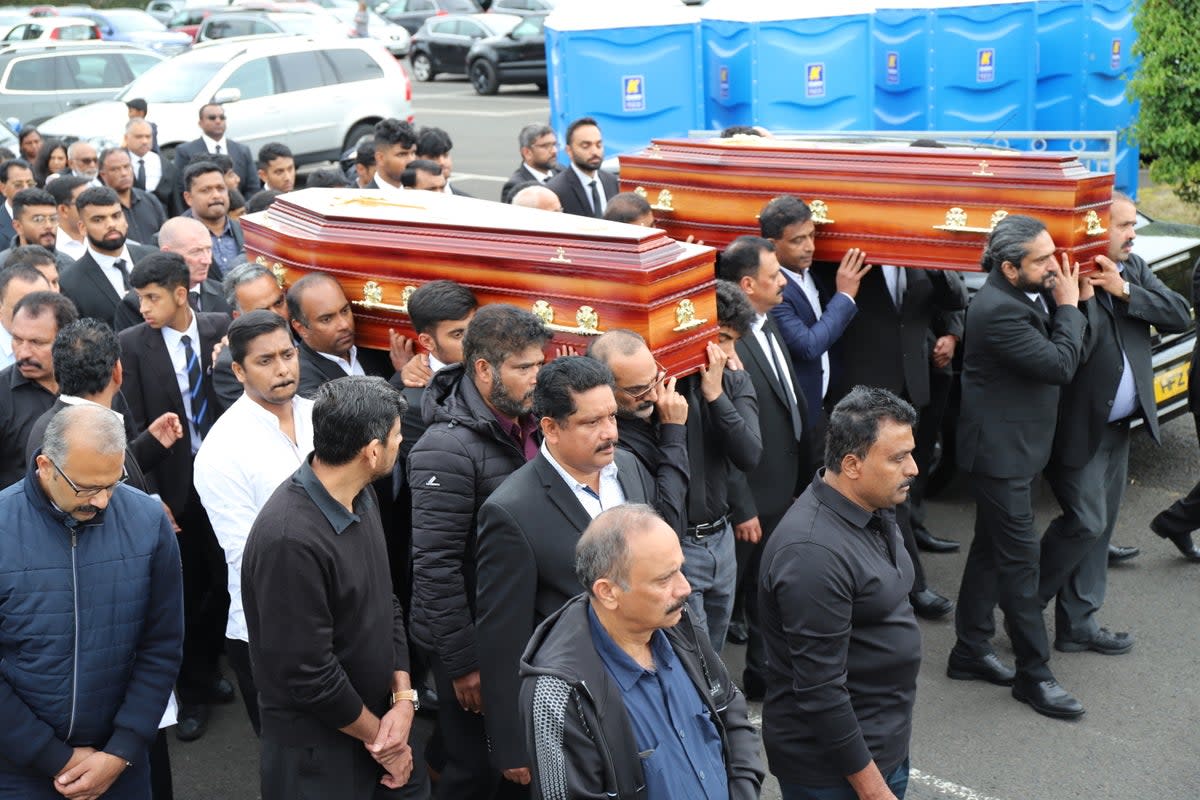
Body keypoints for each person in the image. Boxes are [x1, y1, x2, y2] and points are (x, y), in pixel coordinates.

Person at [474, 356, 660, 787]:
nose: (610, 432)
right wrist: (513, 743)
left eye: (612, 415)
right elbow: (503, 636)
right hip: (578, 702)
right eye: (591, 422)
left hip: (650, 678)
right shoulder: (511, 510)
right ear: (550, 428)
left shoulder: (629, 469)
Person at [242, 375, 426, 799]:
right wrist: (383, 742)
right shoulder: (289, 539)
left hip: (379, 728)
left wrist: (403, 697)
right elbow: (309, 675)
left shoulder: (362, 495)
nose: (401, 446)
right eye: (398, 437)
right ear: (373, 451)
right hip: (318, 756)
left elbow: (387, 601)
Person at [0, 403, 183, 800]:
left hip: (120, 767)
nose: (101, 501)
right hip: (17, 772)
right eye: (86, 487)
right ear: (45, 466)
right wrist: (53, 757)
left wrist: (122, 750)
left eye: (112, 483)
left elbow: (162, 645)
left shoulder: (149, 524)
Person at [521, 504, 766, 800]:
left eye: (680, 569)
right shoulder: (558, 692)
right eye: (664, 579)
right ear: (608, 592)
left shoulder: (679, 623)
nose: (685, 588)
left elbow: (731, 712)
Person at [949, 214, 1088, 720]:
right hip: (1000, 457)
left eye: (1052, 253)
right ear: (1009, 268)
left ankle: (969, 648)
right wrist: (1071, 308)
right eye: (1042, 260)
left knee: (991, 549)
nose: (1055, 265)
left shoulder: (1023, 295)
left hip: (1015, 451)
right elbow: (1059, 365)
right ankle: (1035, 675)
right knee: (1020, 563)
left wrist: (1063, 305)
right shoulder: (998, 310)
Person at [1037, 193, 1189, 653]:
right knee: (1084, 522)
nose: (1132, 233)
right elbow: (1071, 357)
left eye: (1131, 224)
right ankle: (1024, 601)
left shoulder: (1133, 270)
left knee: (1100, 528)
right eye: (1122, 226)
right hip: (1079, 427)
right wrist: (1084, 301)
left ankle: (1078, 624)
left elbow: (1180, 314)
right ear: (1094, 232)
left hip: (1120, 426)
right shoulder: (1062, 279)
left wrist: (1122, 289)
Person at [408, 302, 545, 800]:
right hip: (471, 641)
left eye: (539, 365)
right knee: (476, 770)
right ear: (484, 369)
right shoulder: (444, 449)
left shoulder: (530, 419)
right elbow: (436, 566)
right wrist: (465, 664)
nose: (536, 377)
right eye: (524, 368)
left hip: (518, 626)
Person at [760, 386, 921, 800]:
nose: (913, 469)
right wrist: (871, 788)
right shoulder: (812, 554)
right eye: (898, 458)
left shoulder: (876, 504)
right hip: (836, 777)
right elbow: (820, 690)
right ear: (852, 464)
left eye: (911, 453)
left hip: (882, 747)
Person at [591, 328, 762, 654]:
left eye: (655, 380)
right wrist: (672, 430)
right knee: (690, 655)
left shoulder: (708, 383)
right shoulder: (621, 430)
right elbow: (666, 517)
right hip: (678, 549)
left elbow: (749, 455)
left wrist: (716, 396)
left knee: (715, 653)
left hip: (721, 540)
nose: (653, 396)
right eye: (638, 389)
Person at [120, 252, 233, 741]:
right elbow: (133, 429)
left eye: (152, 297)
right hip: (173, 489)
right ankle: (190, 691)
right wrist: (151, 496)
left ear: (181, 294)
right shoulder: (132, 345)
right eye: (139, 297)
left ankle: (210, 670)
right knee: (183, 594)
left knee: (225, 584)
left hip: (224, 479)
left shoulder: (220, 327)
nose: (143, 307)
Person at [195, 310, 314, 736]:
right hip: (270, 630)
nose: (283, 369)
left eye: (287, 354)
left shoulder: (323, 418)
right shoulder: (222, 450)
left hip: (341, 615)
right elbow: (249, 555)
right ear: (238, 371)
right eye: (265, 361)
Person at [717, 235, 810, 700]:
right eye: (776, 277)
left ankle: (761, 672)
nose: (784, 285)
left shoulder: (768, 324)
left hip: (781, 484)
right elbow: (724, 430)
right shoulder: (724, 340)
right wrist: (742, 505)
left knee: (766, 590)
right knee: (730, 592)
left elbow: (788, 403)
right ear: (748, 284)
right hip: (749, 498)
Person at [759, 195, 864, 439]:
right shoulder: (774, 291)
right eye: (798, 240)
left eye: (812, 235)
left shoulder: (810, 272)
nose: (810, 247)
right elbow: (808, 345)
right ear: (771, 245)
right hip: (800, 415)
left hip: (827, 405)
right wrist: (845, 296)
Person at [287, 272, 407, 398]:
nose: (344, 325)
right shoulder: (300, 376)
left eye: (345, 311)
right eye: (327, 319)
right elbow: (356, 415)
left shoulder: (370, 347)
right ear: (301, 328)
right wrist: (402, 374)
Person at [0, 291, 76, 487]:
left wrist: (153, 444)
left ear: (66, 340)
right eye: (17, 339)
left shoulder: (93, 384)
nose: (23, 352)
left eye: (37, 342)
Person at [58, 186, 158, 327]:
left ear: (125, 219)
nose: (111, 224)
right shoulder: (69, 283)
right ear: (82, 228)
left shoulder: (153, 257)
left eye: (116, 216)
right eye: (98, 219)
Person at [115, 216, 230, 329]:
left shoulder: (225, 294)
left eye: (209, 250)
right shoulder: (134, 305)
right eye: (196, 252)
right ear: (167, 253)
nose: (207, 260)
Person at [212, 261, 289, 411]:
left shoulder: (304, 326)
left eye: (279, 302)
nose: (276, 315)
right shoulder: (229, 367)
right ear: (238, 317)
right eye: (262, 311)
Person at [173, 104, 261, 196]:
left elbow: (253, 187)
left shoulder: (242, 150)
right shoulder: (185, 151)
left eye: (222, 117)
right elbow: (182, 188)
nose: (218, 121)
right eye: (212, 118)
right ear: (200, 123)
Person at [180, 160, 244, 279]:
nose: (216, 195)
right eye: (206, 190)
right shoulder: (176, 238)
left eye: (220, 188)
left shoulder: (248, 232)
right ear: (188, 198)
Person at [547, 117, 618, 218]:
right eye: (586, 146)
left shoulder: (612, 181)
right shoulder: (556, 190)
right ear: (569, 151)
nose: (594, 152)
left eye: (598, 145)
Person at [97, 147, 167, 246]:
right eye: (115, 169)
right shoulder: (99, 207)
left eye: (127, 166)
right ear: (103, 175)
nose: (124, 173)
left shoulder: (150, 199)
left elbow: (165, 234)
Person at [0, 187, 75, 273]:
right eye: (38, 219)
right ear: (18, 226)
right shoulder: (3, 266)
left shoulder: (68, 266)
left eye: (53, 219)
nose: (49, 226)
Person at [125, 118, 182, 217]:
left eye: (148, 136)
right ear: (126, 138)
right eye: (139, 137)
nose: (144, 141)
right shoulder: (115, 162)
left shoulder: (166, 166)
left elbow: (175, 202)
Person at [0, 261, 50, 368]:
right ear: (1, 309)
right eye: (21, 309)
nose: (33, 317)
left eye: (42, 308)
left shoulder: (66, 347)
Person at [500, 123, 559, 203]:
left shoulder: (561, 171)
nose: (554, 151)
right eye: (545, 146)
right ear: (527, 152)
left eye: (554, 144)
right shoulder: (515, 186)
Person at [47, 174, 89, 262]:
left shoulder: (99, 236)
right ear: (63, 210)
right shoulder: (50, 247)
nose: (92, 206)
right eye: (85, 202)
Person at [416, 126, 468, 196]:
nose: (442, 162)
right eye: (433, 157)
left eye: (445, 155)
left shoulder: (468, 202)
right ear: (416, 159)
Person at [369, 118, 418, 191]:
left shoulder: (420, 194)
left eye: (413, 153)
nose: (411, 160)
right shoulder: (362, 199)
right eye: (402, 154)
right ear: (380, 158)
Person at [0, 158, 36, 241]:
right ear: (3, 188)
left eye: (30, 184)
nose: (26, 189)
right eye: (18, 185)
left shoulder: (49, 217)